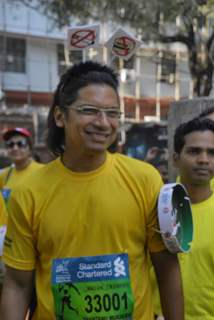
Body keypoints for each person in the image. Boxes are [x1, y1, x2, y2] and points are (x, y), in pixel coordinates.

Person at [0, 61, 184, 320]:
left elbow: (166, 267)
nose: (103, 123)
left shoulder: (144, 179)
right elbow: (17, 284)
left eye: (112, 113)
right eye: (89, 111)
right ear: (60, 116)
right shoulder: (29, 191)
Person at [152, 117, 214, 319]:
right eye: (194, 151)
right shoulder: (153, 207)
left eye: (211, 153)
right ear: (175, 158)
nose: (204, 159)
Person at [0, 127, 43, 204]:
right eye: (10, 144)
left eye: (21, 143)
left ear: (30, 148)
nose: (15, 148)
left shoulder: (42, 172)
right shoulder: (4, 175)